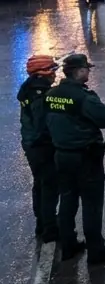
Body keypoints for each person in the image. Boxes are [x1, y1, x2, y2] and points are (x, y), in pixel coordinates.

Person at [45, 53, 105, 264]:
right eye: (86, 69)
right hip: (85, 158)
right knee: (91, 205)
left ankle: (69, 245)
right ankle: (96, 251)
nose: (88, 71)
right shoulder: (83, 97)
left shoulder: (51, 94)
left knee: (68, 201)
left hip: (61, 155)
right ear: (78, 72)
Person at [19, 55, 59, 243]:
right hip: (40, 146)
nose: (54, 75)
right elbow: (42, 122)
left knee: (40, 184)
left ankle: (42, 223)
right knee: (49, 185)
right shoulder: (40, 93)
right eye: (52, 70)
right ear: (43, 72)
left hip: (31, 144)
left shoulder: (28, 88)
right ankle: (50, 228)